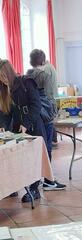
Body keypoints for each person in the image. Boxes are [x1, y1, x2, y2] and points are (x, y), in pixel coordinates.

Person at [0, 59, 47, 202]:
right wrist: (2, 125)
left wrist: (26, 123)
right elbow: (5, 112)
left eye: (2, 76)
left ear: (8, 73)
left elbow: (36, 105)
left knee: (32, 158)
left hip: (33, 125)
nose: (1, 79)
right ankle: (13, 187)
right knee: (17, 159)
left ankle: (34, 189)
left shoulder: (26, 82)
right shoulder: (3, 88)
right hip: (17, 129)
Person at [27, 49, 65, 191]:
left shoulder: (27, 75)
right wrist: (54, 111)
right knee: (47, 147)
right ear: (43, 61)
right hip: (45, 114)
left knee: (38, 148)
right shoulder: (46, 73)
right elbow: (50, 96)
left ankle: (39, 180)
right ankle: (49, 180)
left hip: (34, 117)